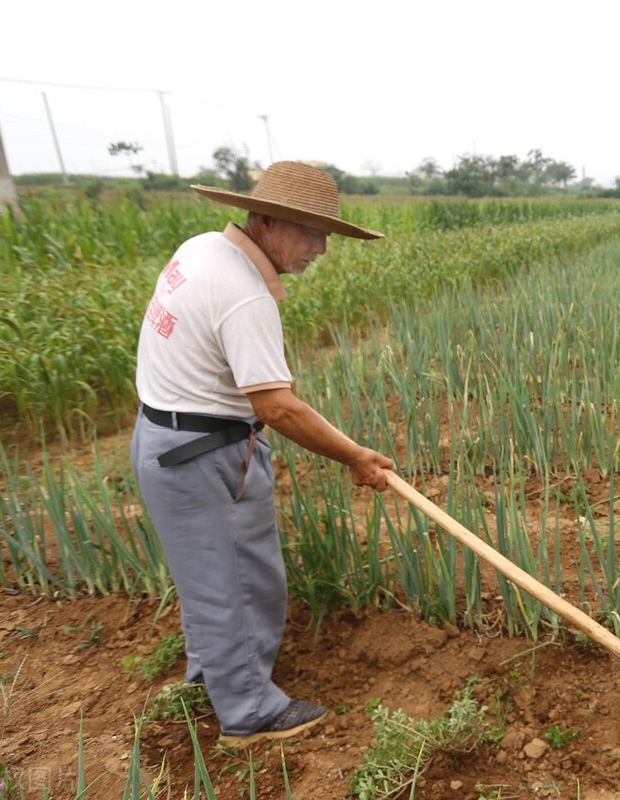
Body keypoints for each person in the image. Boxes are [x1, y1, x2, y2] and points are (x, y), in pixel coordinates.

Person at [130, 161, 395, 746]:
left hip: (163, 438)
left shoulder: (202, 248)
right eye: (313, 233)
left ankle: (212, 678)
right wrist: (355, 455)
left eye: (327, 235)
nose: (321, 249)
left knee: (206, 578)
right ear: (270, 221)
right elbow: (278, 406)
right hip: (201, 455)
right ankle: (250, 711)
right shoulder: (244, 295)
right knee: (242, 582)